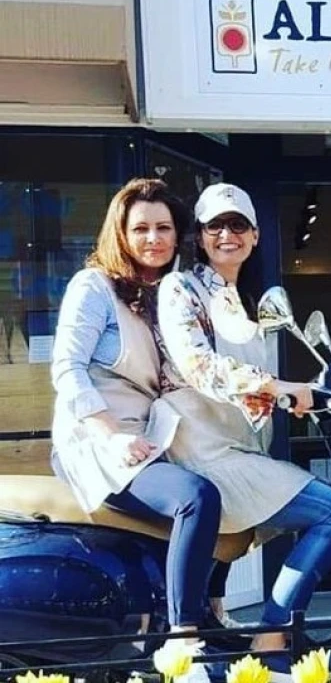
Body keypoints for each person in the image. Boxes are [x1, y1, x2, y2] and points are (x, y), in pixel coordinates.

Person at [155, 182, 331, 679]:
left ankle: (239, 624)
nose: (227, 234)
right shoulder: (182, 289)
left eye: (237, 224)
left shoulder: (241, 301)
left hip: (237, 450)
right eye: (215, 226)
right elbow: (201, 367)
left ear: (255, 234)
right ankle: (272, 637)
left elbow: (250, 389)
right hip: (203, 451)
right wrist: (279, 387)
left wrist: (290, 398)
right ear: (200, 235)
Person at [49, 178, 222, 682]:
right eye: (141, 228)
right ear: (120, 234)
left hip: (151, 436)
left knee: (231, 485)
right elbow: (66, 368)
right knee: (196, 498)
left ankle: (212, 611)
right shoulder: (94, 286)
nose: (153, 239)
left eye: (163, 228)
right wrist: (109, 434)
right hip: (98, 441)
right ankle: (184, 640)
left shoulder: (168, 295)